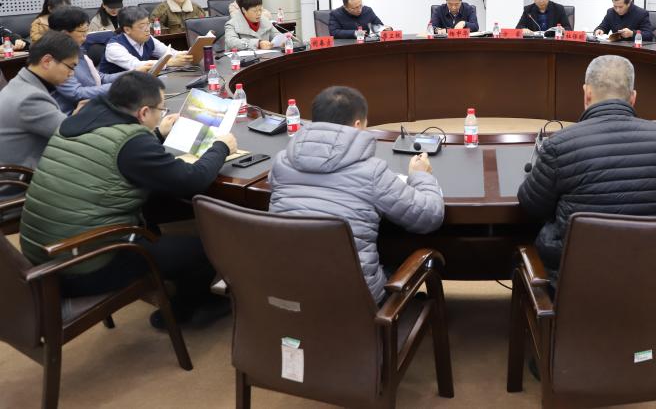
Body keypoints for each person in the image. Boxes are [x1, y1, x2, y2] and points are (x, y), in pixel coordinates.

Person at [19, 71, 237, 328]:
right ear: (143, 112)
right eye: (161, 109)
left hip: (41, 255)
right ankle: (186, 311)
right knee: (206, 247)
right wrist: (221, 147)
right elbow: (192, 180)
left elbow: (114, 155)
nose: (162, 114)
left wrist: (158, 133)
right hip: (79, 267)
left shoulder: (77, 121)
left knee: (156, 207)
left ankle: (167, 279)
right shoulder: (132, 143)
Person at [517, 55, 656, 282]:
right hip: (654, 276)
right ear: (633, 98)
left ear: (586, 93)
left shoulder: (559, 145)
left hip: (579, 281)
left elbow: (532, 205)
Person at [268, 86, 444, 303]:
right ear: (357, 125)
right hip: (354, 299)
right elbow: (429, 216)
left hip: (288, 290)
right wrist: (420, 175)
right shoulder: (372, 172)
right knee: (398, 258)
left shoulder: (281, 162)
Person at [0, 31, 79, 168]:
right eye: (71, 67)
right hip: (20, 178)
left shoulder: (19, 84)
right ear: (47, 61)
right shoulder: (30, 98)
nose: (71, 74)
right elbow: (73, 136)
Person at [50, 6, 133, 114]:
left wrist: (132, 75)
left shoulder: (77, 49)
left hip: (93, 108)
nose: (86, 37)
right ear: (65, 34)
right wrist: (117, 87)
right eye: (82, 32)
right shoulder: (55, 58)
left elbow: (99, 78)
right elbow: (76, 93)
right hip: (72, 115)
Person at [99, 6, 192, 74]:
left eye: (148, 24)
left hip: (138, 84)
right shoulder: (114, 47)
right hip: (114, 88)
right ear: (127, 29)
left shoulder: (148, 39)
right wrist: (169, 63)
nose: (148, 29)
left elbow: (170, 52)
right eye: (142, 26)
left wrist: (187, 54)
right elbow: (137, 66)